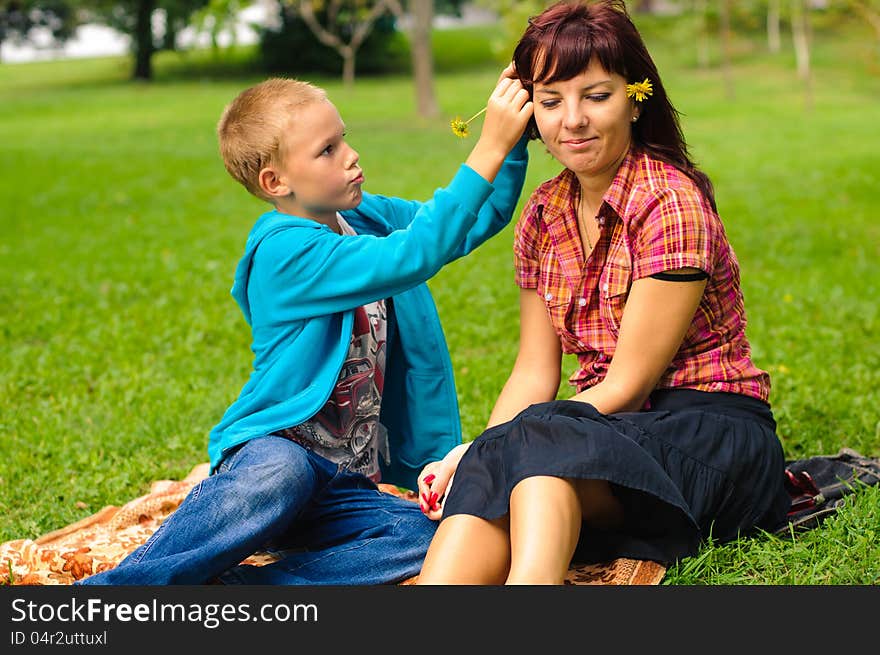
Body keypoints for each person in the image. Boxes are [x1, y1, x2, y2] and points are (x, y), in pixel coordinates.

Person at [78, 69, 533, 585]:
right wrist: (488, 145)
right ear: (276, 183)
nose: (351, 155)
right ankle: (113, 595)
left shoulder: (362, 219)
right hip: (274, 460)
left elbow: (468, 221)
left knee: (444, 537)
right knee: (281, 474)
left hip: (344, 488)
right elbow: (416, 252)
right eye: (328, 150)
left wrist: (514, 143)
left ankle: (237, 590)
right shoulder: (283, 250)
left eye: (346, 139)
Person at [414, 0, 791, 585]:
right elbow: (534, 374)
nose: (573, 121)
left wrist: (493, 445)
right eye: (549, 101)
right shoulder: (543, 213)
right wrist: (486, 450)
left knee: (530, 448)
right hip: (592, 436)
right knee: (517, 466)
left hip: (707, 434)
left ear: (634, 98)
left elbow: (628, 384)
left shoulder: (670, 202)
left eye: (596, 96)